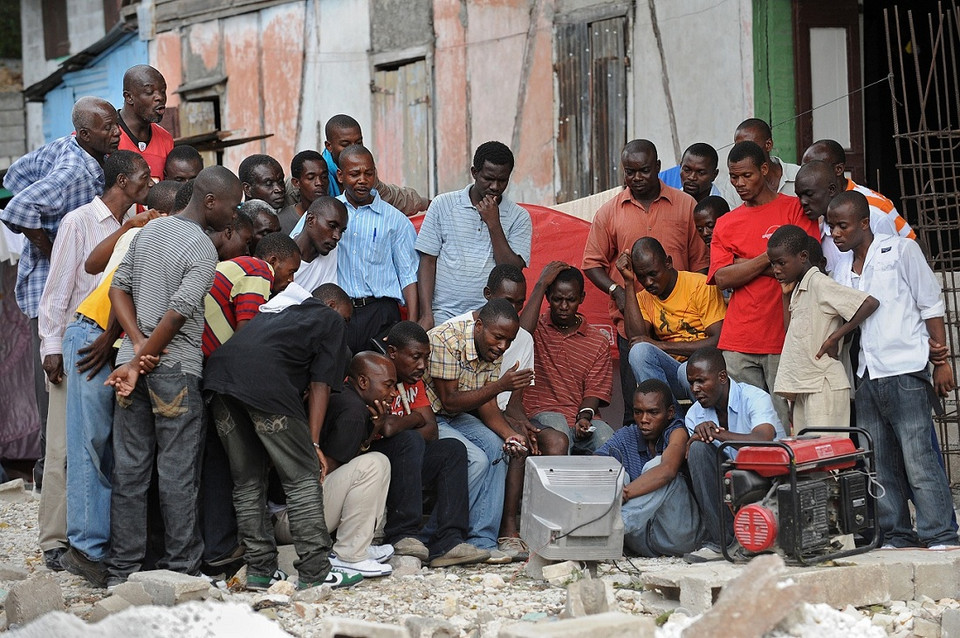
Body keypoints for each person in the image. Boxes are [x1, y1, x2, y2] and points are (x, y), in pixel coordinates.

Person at [102, 166, 241, 587]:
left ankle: (122, 571)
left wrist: (135, 349)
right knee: (178, 474)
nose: (234, 217)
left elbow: (117, 289)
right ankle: (182, 570)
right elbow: (179, 313)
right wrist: (146, 353)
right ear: (210, 201)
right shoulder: (201, 248)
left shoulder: (148, 233)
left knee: (130, 472)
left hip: (132, 369)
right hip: (174, 371)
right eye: (232, 207)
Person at [1, 96, 120, 570]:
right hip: (63, 314)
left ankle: (78, 532)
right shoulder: (77, 179)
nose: (115, 133)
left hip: (85, 315)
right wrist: (47, 248)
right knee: (62, 438)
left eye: (115, 125)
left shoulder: (78, 151)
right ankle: (54, 539)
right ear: (84, 133)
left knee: (87, 437)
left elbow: (13, 176)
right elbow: (16, 205)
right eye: (106, 127)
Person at [36, 152, 153, 586]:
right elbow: (60, 286)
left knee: (100, 445)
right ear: (122, 180)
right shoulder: (80, 222)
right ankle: (67, 544)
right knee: (71, 448)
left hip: (112, 337)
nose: (150, 179)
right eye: (144, 175)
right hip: (82, 338)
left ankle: (89, 543)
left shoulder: (141, 220)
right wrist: (51, 346)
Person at [203, 282, 362, 589]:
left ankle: (261, 571)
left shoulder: (275, 312)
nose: (345, 326)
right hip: (265, 383)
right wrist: (313, 443)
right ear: (330, 306)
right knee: (303, 478)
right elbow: (320, 385)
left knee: (247, 481)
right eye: (346, 318)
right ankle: (316, 572)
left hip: (220, 379)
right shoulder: (328, 319)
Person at [827, 191, 959, 548]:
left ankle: (940, 533)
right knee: (879, 460)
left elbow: (930, 304)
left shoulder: (900, 250)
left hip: (905, 369)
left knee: (918, 457)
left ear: (865, 224)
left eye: (842, 226)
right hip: (867, 373)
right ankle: (896, 532)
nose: (835, 233)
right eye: (831, 226)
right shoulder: (840, 268)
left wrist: (941, 362)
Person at [582, 139, 707, 424]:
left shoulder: (686, 206)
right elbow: (591, 263)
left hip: (682, 327)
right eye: (630, 171)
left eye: (644, 170)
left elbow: (701, 265)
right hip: (633, 323)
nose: (636, 178)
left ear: (658, 168)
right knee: (637, 407)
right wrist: (617, 291)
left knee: (693, 403)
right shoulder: (609, 211)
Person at [445, 265, 567, 555]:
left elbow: (514, 403)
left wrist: (523, 424)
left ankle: (546, 528)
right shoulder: (465, 331)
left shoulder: (523, 338)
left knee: (555, 440)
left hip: (500, 412)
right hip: (472, 411)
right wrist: (510, 428)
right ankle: (506, 528)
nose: (512, 308)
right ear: (487, 295)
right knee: (509, 442)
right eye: (507, 300)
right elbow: (463, 399)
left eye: (519, 303)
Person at [709, 141, 819, 428]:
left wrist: (741, 264)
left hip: (784, 336)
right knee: (747, 425)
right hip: (738, 341)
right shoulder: (726, 223)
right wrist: (769, 257)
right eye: (734, 177)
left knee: (788, 424)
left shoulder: (794, 209)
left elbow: (804, 266)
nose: (740, 184)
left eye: (747, 175)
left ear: (765, 169)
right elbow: (721, 278)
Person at [423, 298, 534, 562]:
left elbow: (487, 406)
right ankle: (443, 537)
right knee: (477, 459)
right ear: (479, 326)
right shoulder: (446, 339)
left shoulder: (493, 345)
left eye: (509, 340)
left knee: (497, 448)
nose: (503, 346)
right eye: (498, 338)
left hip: (458, 415)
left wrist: (510, 434)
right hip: (430, 416)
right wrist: (501, 386)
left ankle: (482, 540)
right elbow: (448, 399)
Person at [381, 321, 491, 567]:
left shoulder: (414, 381)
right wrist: (414, 419)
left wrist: (410, 420)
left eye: (426, 357)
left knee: (453, 449)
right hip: (377, 459)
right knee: (409, 440)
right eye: (415, 357)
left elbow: (431, 430)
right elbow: (383, 428)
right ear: (393, 353)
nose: (422, 366)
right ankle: (403, 534)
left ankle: (448, 541)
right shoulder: (377, 373)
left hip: (408, 457)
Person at [767, 224, 878, 429]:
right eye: (773, 264)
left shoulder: (819, 283)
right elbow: (790, 331)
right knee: (805, 458)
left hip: (823, 386)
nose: (776, 270)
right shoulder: (799, 288)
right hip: (805, 385)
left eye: (781, 263)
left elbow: (869, 303)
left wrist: (836, 337)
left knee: (826, 456)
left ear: (802, 256)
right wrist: (785, 296)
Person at [683, 347, 784, 563]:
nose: (695, 389)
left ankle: (758, 535)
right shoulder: (694, 414)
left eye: (701, 381)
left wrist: (719, 434)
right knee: (698, 450)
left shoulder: (754, 397)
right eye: (692, 383)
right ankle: (722, 541)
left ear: (721, 377)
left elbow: (763, 440)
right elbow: (702, 459)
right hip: (731, 480)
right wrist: (700, 439)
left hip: (769, 476)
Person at [416, 141, 532, 328]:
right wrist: (426, 314)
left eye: (502, 180)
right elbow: (427, 262)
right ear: (474, 172)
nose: (495, 186)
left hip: (490, 319)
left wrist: (494, 223)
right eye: (488, 178)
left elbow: (512, 270)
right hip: (443, 315)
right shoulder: (442, 205)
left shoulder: (519, 217)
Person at [616, 237, 726, 412]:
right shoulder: (643, 297)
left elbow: (719, 341)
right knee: (639, 351)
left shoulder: (699, 285)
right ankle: (672, 424)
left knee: (687, 371)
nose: (648, 282)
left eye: (653, 274)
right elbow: (637, 339)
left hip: (706, 372)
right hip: (673, 373)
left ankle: (706, 421)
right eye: (641, 277)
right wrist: (629, 283)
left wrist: (662, 345)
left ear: (668, 262)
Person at [595, 380, 701, 557]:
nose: (644, 420)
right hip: (640, 540)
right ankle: (604, 527)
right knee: (615, 472)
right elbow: (595, 463)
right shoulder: (627, 435)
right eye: (638, 412)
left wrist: (625, 493)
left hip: (677, 537)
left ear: (670, 413)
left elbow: (667, 470)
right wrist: (614, 486)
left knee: (657, 467)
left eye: (653, 412)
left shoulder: (677, 431)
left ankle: (607, 528)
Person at [327, 145, 418, 352]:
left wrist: (410, 327)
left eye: (368, 173)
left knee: (379, 379)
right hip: (340, 313)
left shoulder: (395, 220)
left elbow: (408, 275)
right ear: (340, 176)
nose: (362, 180)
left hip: (381, 315)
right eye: (354, 174)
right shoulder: (327, 212)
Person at [520, 263, 615, 454]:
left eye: (570, 300)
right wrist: (540, 284)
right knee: (559, 431)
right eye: (557, 299)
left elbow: (594, 391)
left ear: (581, 298)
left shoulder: (597, 340)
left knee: (609, 439)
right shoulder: (535, 329)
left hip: (581, 417)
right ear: (547, 297)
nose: (563, 306)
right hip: (542, 414)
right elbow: (519, 335)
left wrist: (585, 416)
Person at [794, 160, 905, 274]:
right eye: (799, 196)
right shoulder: (820, 233)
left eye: (809, 194)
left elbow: (897, 266)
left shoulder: (876, 218)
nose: (803, 202)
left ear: (831, 189)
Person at [802, 139, 914, 240]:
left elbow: (912, 243)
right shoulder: (812, 207)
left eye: (815, 168)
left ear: (839, 169)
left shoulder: (875, 206)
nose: (807, 175)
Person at [322, 114, 428, 215]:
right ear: (329, 146)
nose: (353, 149)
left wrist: (426, 203)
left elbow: (388, 197)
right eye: (345, 145)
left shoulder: (363, 169)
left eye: (358, 143)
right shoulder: (320, 176)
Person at [117, 65, 173, 181]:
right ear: (129, 97)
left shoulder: (165, 139)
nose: (160, 97)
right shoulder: (105, 135)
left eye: (163, 91)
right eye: (149, 92)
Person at [731, 118, 800, 198]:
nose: (743, 153)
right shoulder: (734, 186)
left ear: (768, 145)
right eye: (738, 148)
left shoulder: (798, 175)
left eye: (751, 147)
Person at [291, 196, 348, 292]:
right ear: (310, 220)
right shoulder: (282, 256)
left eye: (342, 231)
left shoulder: (331, 250)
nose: (337, 237)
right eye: (332, 226)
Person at [279, 150, 329, 235]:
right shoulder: (282, 221)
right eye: (311, 177)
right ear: (296, 183)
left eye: (324, 177)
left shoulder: (336, 214)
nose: (319, 183)